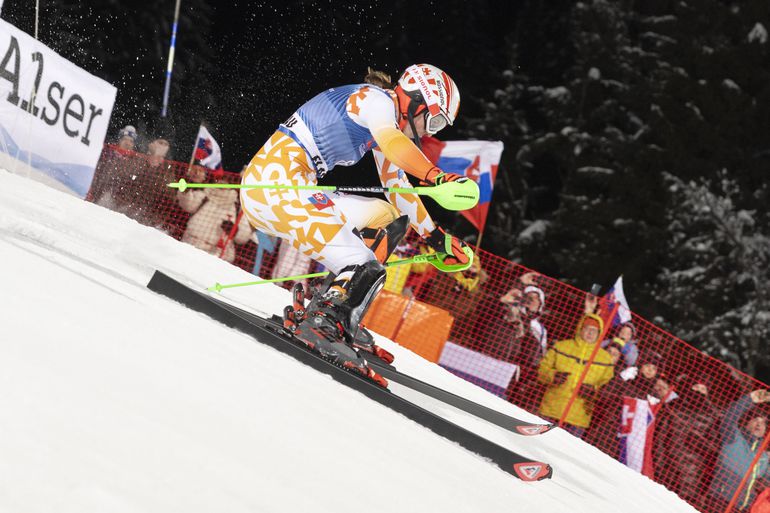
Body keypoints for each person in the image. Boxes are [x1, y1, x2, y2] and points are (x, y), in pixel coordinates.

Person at [239, 64, 475, 378]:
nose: (431, 131)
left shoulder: (383, 117)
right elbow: (393, 143)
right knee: (363, 263)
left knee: (387, 218)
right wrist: (436, 176)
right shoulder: (376, 102)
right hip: (274, 187)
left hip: (292, 189)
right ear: (416, 100)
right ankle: (322, 326)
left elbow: (396, 185)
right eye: (434, 119)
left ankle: (335, 312)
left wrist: (435, 237)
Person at [537, 313, 615, 437]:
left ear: (599, 333)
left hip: (579, 417)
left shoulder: (605, 359)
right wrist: (552, 376)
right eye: (587, 329)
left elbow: (608, 386)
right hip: (551, 409)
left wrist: (593, 392)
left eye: (594, 330)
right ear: (580, 329)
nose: (590, 333)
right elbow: (541, 370)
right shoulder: (561, 347)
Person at [652, 374, 720, 507]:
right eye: (696, 387)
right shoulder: (672, 407)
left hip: (694, 477)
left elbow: (715, 449)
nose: (699, 392)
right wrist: (659, 467)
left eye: (703, 389)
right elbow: (660, 439)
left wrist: (700, 444)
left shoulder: (714, 416)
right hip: (668, 469)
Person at [709, 389, 770, 512]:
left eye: (763, 423)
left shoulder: (764, 456)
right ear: (747, 422)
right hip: (719, 502)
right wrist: (750, 399)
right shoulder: (733, 437)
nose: (759, 424)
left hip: (743, 508)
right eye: (755, 420)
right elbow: (728, 418)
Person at [178, 163, 253, 263]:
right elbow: (187, 205)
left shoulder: (237, 206)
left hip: (216, 254)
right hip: (190, 244)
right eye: (221, 179)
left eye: (227, 181)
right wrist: (185, 192)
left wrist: (234, 231)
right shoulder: (206, 194)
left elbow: (244, 236)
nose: (223, 183)